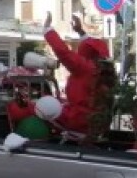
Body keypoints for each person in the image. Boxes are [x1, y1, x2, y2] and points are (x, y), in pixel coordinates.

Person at [41, 11, 112, 141]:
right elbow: (92, 46)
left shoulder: (84, 67)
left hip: (79, 122)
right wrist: (80, 31)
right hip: (98, 124)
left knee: (41, 106)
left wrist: (47, 30)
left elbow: (63, 52)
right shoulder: (106, 70)